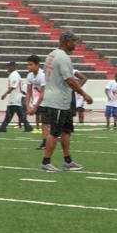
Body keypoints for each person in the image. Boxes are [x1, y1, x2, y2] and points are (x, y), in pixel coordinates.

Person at [39, 30, 93, 172]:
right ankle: (46, 162)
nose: (75, 44)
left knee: (66, 130)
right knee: (55, 132)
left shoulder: (52, 54)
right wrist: (85, 94)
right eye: (74, 41)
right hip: (58, 100)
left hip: (61, 99)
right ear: (67, 42)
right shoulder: (63, 58)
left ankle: (67, 161)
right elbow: (69, 80)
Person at [0, 61, 32, 133]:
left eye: (8, 66)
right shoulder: (13, 75)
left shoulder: (14, 75)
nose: (7, 68)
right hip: (14, 98)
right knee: (14, 114)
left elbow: (13, 87)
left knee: (14, 113)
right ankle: (4, 127)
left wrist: (5, 94)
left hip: (16, 98)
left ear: (12, 67)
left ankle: (3, 127)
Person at [25, 55, 47, 147]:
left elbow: (43, 93)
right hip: (41, 100)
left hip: (49, 100)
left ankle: (46, 141)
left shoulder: (42, 75)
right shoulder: (30, 75)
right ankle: (45, 141)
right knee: (44, 121)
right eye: (28, 65)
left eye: (31, 65)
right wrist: (28, 107)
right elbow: (28, 92)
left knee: (45, 121)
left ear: (38, 65)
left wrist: (35, 107)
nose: (28, 67)